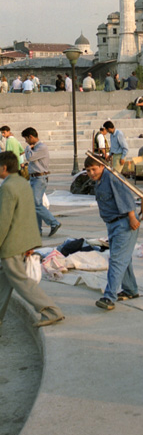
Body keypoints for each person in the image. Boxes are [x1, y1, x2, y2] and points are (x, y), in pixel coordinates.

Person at [0, 151, 65, 329]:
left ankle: (51, 310)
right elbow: (29, 215)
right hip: (22, 242)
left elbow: (3, 221)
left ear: (4, 167)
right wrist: (32, 243)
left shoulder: (7, 188)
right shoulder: (22, 183)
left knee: (21, 281)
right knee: (3, 284)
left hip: (11, 245)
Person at [84, 156, 140, 310]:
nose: (91, 173)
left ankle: (109, 297)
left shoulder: (112, 178)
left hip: (124, 222)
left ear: (102, 166)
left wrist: (132, 217)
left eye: (94, 169)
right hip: (113, 224)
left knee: (116, 260)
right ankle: (130, 290)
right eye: (88, 170)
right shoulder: (99, 181)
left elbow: (126, 197)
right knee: (123, 258)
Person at [20, 127, 61, 237]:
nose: (26, 142)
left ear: (31, 137)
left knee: (36, 204)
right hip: (34, 178)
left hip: (39, 179)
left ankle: (54, 223)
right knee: (35, 204)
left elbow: (30, 157)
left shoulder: (41, 147)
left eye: (26, 139)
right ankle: (37, 230)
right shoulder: (36, 147)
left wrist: (28, 148)